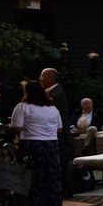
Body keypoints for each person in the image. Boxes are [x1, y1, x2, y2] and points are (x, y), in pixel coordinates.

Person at [9, 80, 65, 206]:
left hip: (32, 145)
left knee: (34, 184)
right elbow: (59, 129)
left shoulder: (23, 107)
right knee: (52, 183)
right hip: (52, 146)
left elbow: (17, 126)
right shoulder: (53, 109)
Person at [39, 67, 73, 198]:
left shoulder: (56, 93)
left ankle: (66, 190)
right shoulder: (52, 92)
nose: (41, 79)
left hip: (59, 134)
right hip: (54, 133)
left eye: (43, 76)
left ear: (50, 78)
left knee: (62, 161)